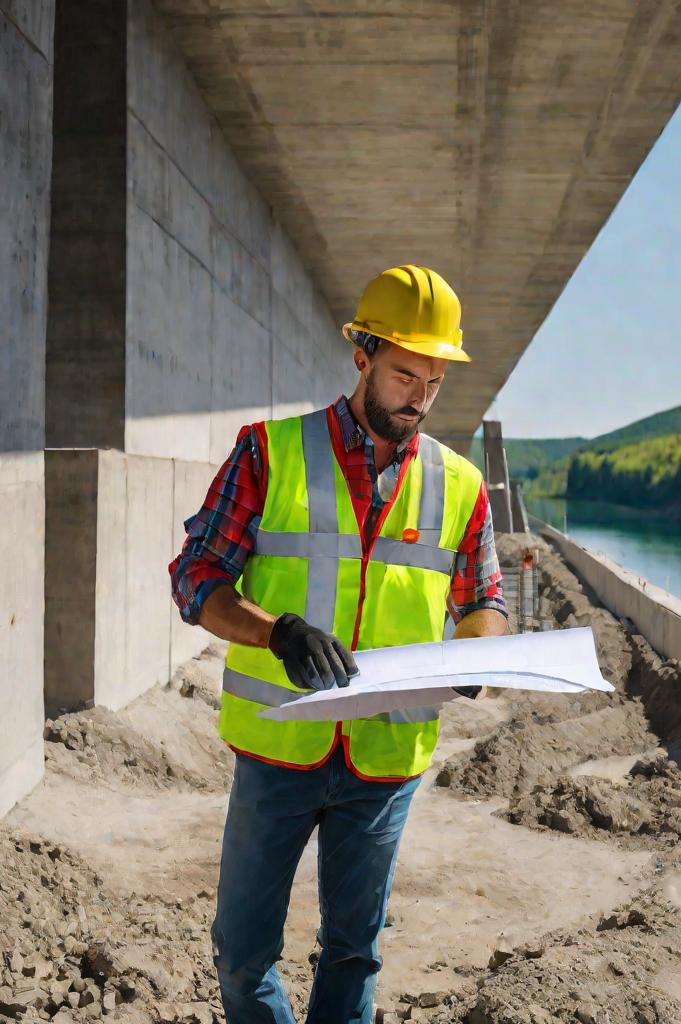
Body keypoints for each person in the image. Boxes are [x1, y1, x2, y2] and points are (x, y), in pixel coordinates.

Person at [168, 264, 509, 1024]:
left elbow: (484, 600)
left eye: (433, 379)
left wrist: (478, 651)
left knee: (355, 953)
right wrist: (274, 630)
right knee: (243, 955)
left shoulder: (460, 485)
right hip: (278, 751)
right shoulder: (267, 451)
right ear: (362, 357)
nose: (418, 396)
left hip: (384, 762)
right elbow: (195, 576)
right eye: (403, 375)